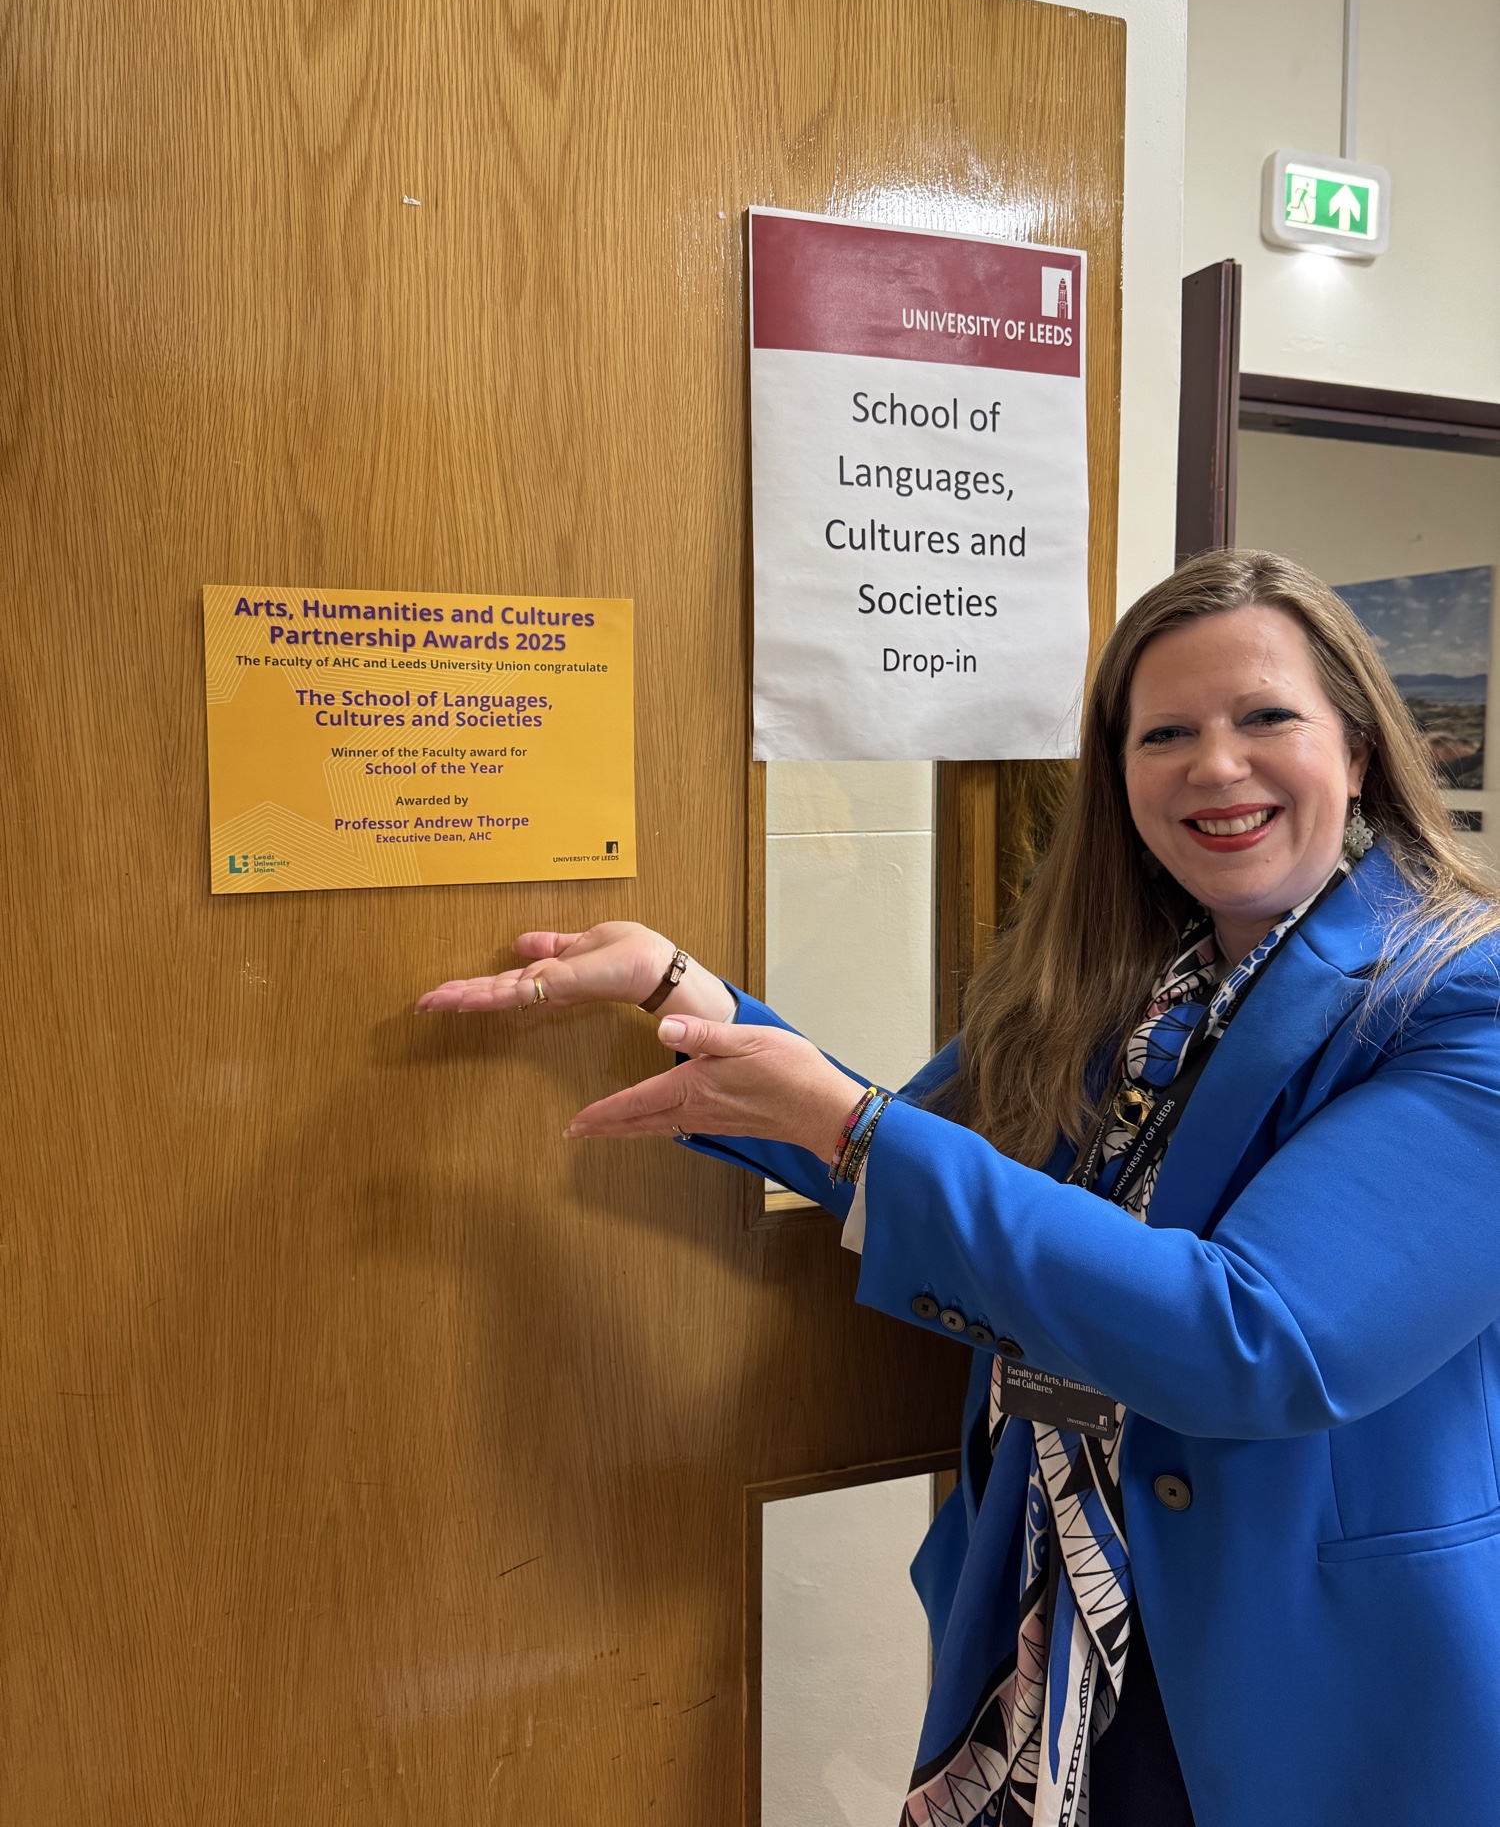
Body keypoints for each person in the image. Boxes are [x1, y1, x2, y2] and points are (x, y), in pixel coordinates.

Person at [416, 550, 1500, 1827]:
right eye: (1165, 734)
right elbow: (905, 1158)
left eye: (1266, 717)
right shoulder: (1120, 985)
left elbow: (1256, 1338)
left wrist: (850, 1124)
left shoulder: (1460, 995)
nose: (1216, 766)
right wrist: (681, 995)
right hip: (1060, 1625)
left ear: (1358, 749)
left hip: (1312, 1674)